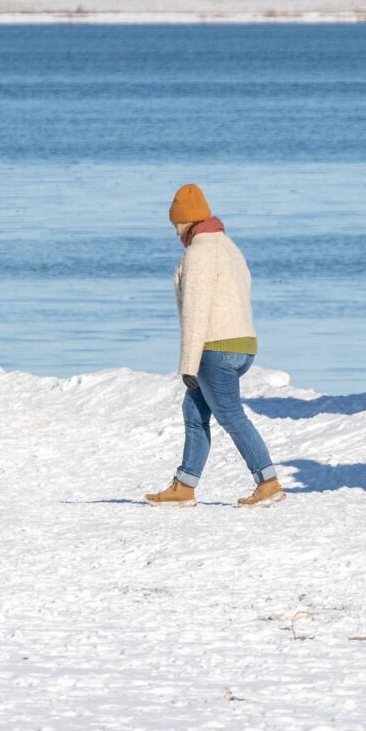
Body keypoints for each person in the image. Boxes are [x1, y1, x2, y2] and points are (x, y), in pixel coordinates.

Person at [147, 185, 284, 507]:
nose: (176, 230)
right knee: (194, 411)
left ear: (190, 221)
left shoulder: (200, 251)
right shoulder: (229, 247)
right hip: (243, 344)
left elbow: (197, 309)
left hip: (215, 347)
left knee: (231, 415)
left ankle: (268, 482)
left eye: (178, 224)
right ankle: (184, 486)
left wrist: (187, 364)